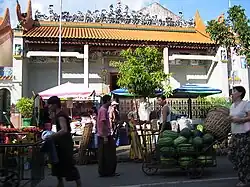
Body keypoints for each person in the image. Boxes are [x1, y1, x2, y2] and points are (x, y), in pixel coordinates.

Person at [47, 96, 81, 187]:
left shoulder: (61, 115)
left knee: (68, 164)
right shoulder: (57, 114)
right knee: (58, 164)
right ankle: (60, 183)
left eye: (50, 105)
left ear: (55, 105)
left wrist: (52, 136)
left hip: (64, 143)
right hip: (60, 143)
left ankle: (78, 184)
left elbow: (64, 129)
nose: (49, 106)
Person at [228, 86, 250, 187]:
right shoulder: (232, 106)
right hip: (234, 134)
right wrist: (230, 118)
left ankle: (244, 180)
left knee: (243, 158)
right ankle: (244, 175)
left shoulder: (245, 104)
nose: (232, 93)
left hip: (244, 134)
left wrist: (241, 120)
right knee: (232, 155)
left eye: (234, 91)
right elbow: (232, 118)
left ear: (240, 93)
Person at [97, 95, 119, 177]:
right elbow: (102, 123)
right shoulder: (103, 110)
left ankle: (106, 171)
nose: (111, 102)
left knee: (106, 154)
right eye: (110, 100)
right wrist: (105, 136)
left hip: (105, 134)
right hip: (104, 135)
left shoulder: (104, 110)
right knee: (109, 155)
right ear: (106, 101)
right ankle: (107, 171)